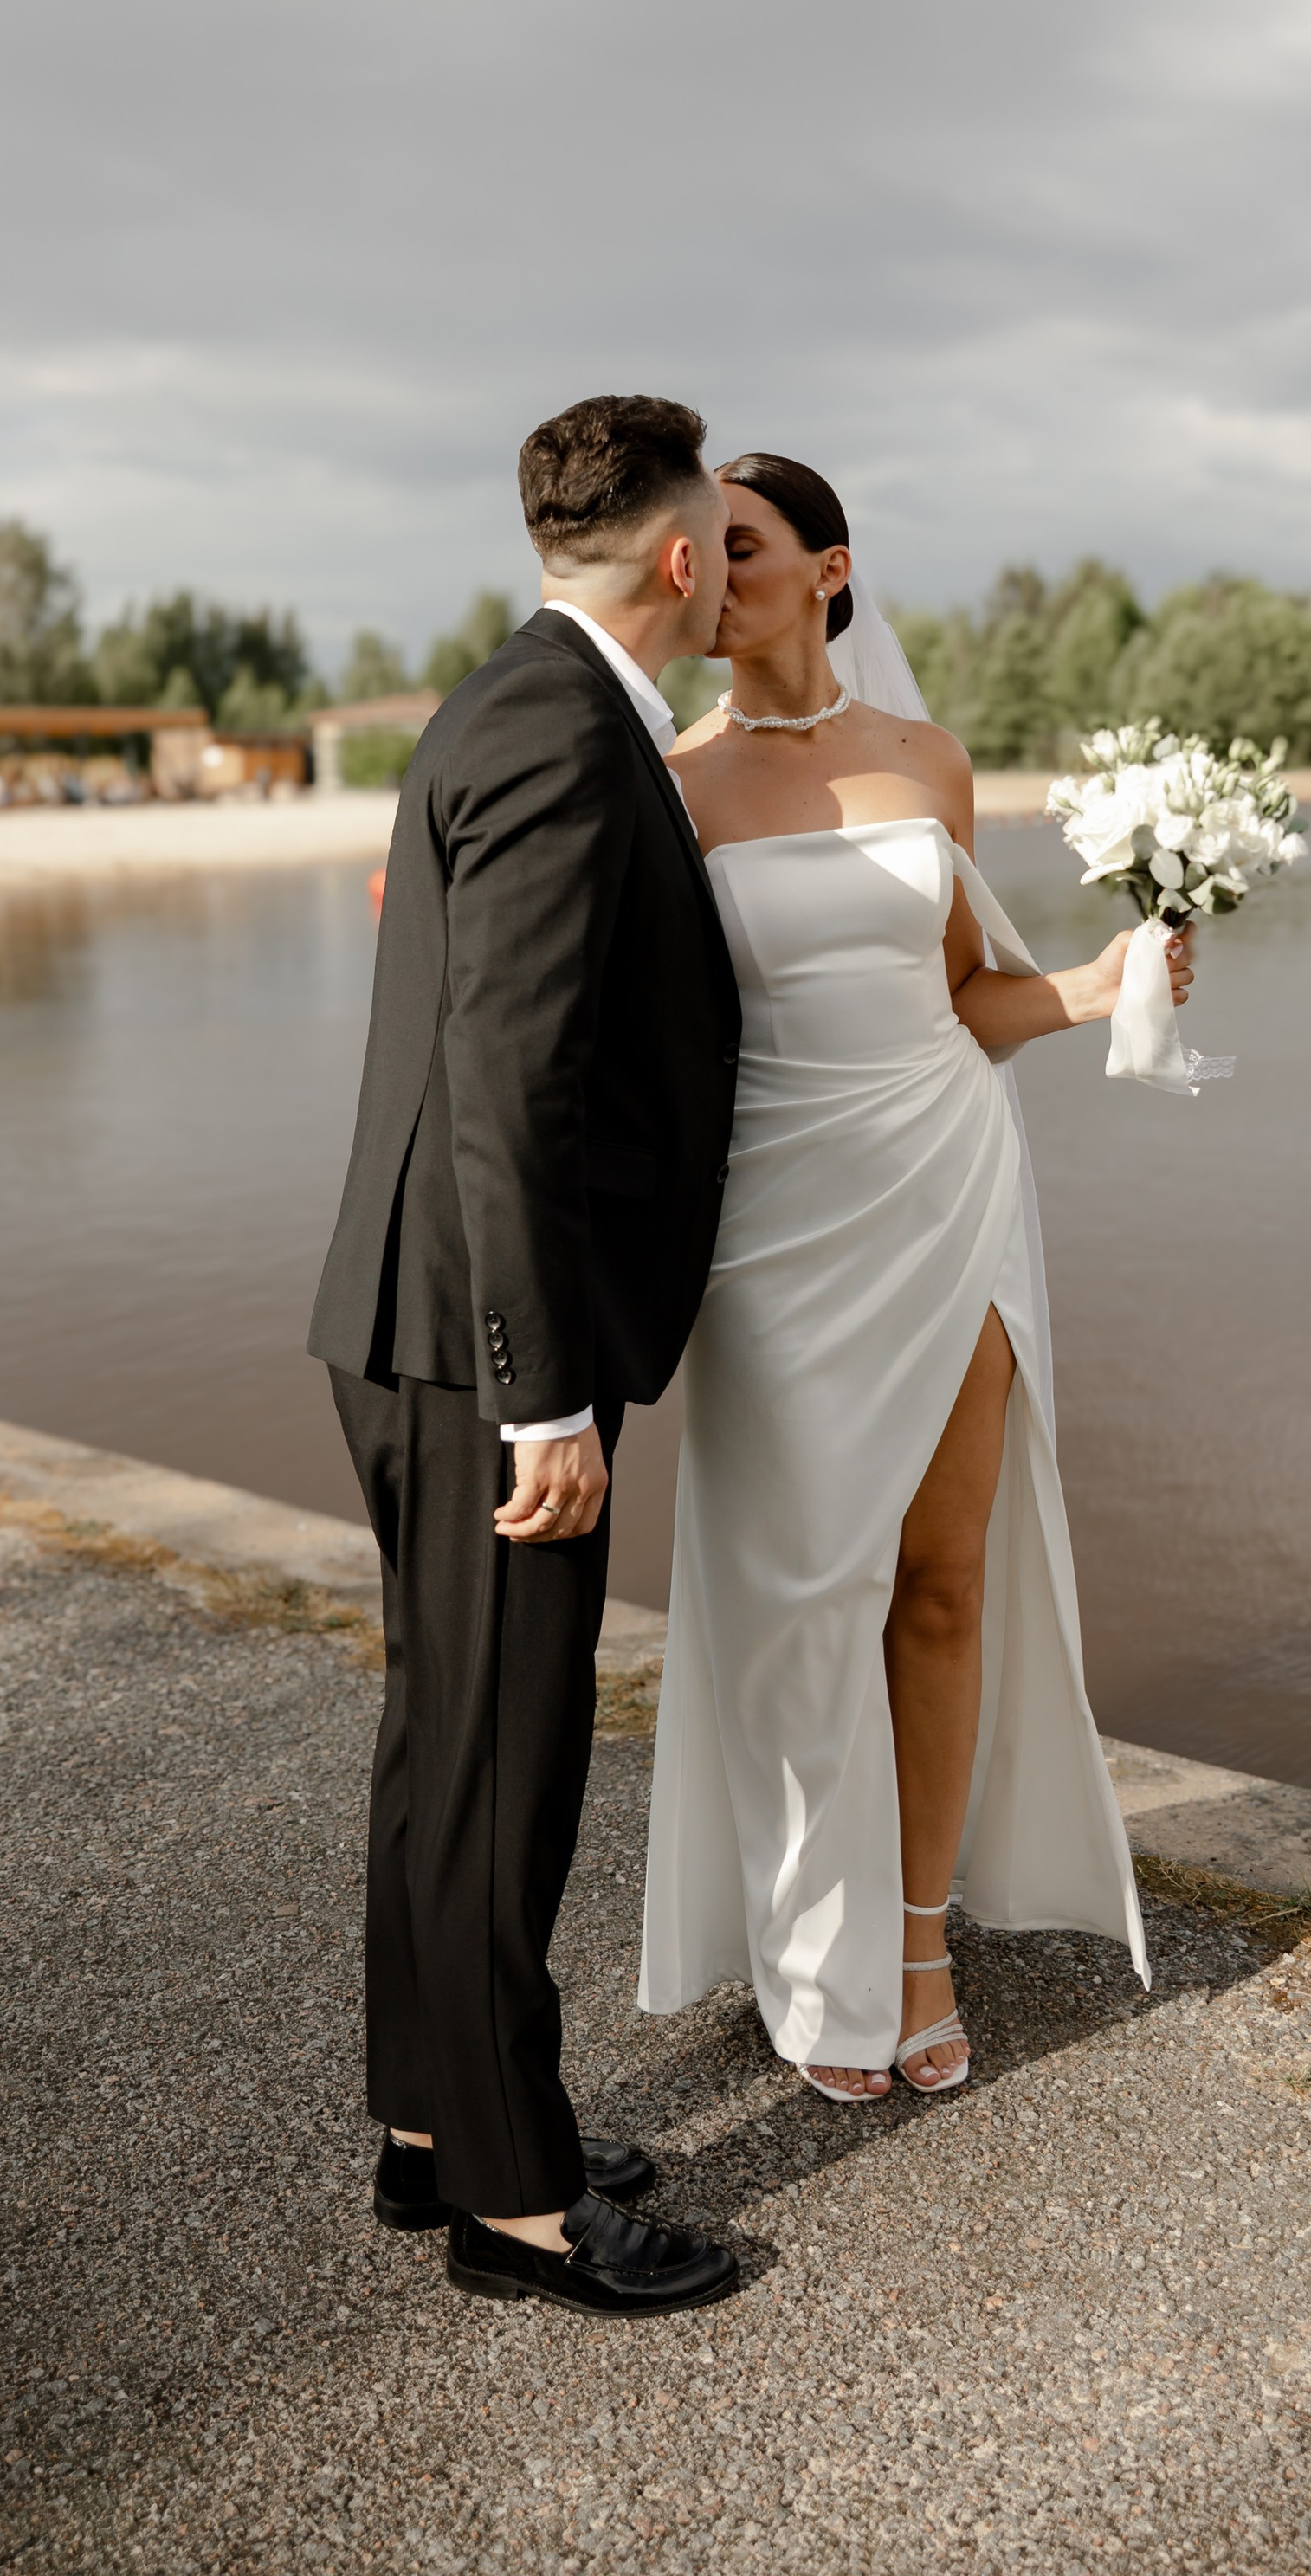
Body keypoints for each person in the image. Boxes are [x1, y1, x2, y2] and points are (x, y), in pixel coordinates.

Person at [639, 454, 1188, 2100]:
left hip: (950, 1186)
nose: (706, 573)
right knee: (805, 1597)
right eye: (694, 551)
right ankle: (812, 1955)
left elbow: (969, 995)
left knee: (943, 1582)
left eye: (739, 545)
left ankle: (921, 1941)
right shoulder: (670, 784)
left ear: (828, 568)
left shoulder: (929, 763)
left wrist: (1098, 985)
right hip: (774, 1227)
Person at [308, 394, 746, 2316]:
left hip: (407, 1322)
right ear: (674, 556)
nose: (738, 562)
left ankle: (434, 2121)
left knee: (443, 1744)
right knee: (504, 1762)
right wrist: (542, 1390)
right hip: (479, 1344)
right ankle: (517, 2202)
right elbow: (504, 1085)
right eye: (726, 534)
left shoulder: (515, 694)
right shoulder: (567, 731)